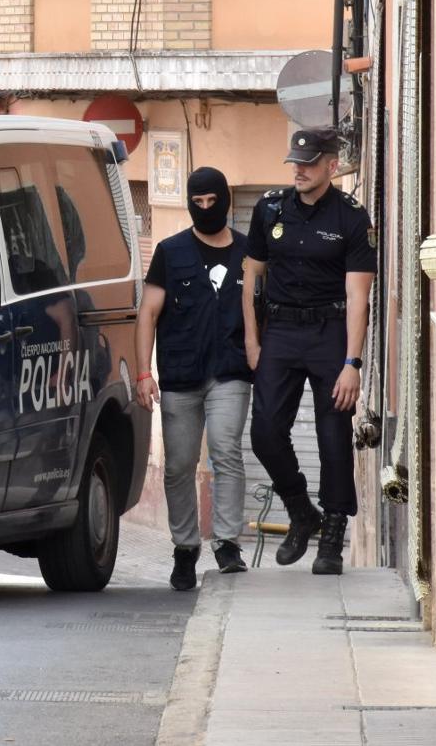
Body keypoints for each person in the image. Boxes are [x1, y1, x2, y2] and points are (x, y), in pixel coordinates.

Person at [242, 129, 376, 575]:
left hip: (329, 331)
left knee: (333, 436)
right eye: (295, 163)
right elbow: (252, 276)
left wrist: (352, 363)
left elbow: (358, 296)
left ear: (331, 166)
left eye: (308, 163)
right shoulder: (269, 208)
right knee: (264, 432)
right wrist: (252, 340)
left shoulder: (351, 218)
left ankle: (333, 533)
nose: (298, 170)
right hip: (280, 330)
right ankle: (301, 510)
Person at [136, 167, 253, 592]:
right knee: (179, 465)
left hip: (230, 373)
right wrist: (144, 372)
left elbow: (263, 311)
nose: (205, 208)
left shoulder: (248, 252)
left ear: (225, 199)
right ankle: (185, 548)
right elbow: (147, 314)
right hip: (180, 376)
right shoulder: (170, 252)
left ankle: (227, 544)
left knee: (226, 450)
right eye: (197, 202)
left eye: (212, 201)